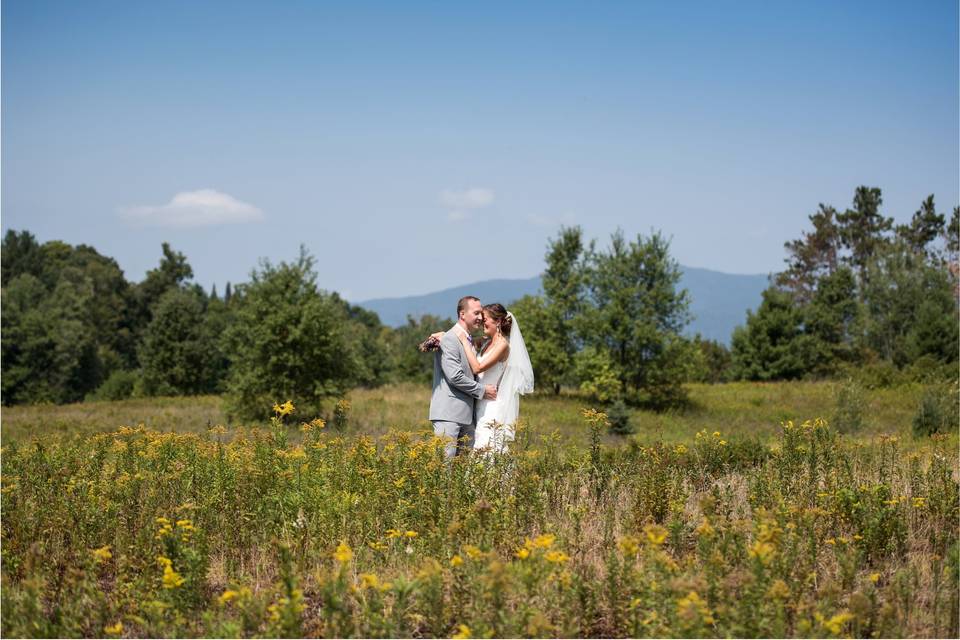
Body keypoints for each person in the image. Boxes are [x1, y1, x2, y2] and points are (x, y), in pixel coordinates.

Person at [435, 302, 534, 454]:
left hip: (492, 405)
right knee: (477, 448)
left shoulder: (503, 345)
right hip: (479, 403)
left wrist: (463, 341)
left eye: (485, 319)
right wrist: (445, 335)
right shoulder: (486, 343)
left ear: (498, 322)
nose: (482, 323)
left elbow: (477, 368)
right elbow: (462, 344)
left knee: (488, 446)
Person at [428, 296, 498, 459]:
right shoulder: (450, 339)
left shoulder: (468, 340)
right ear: (462, 314)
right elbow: (455, 377)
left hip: (468, 417)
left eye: (481, 313)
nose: (480, 317)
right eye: (476, 313)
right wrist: (482, 391)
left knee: (463, 471)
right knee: (444, 468)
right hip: (449, 415)